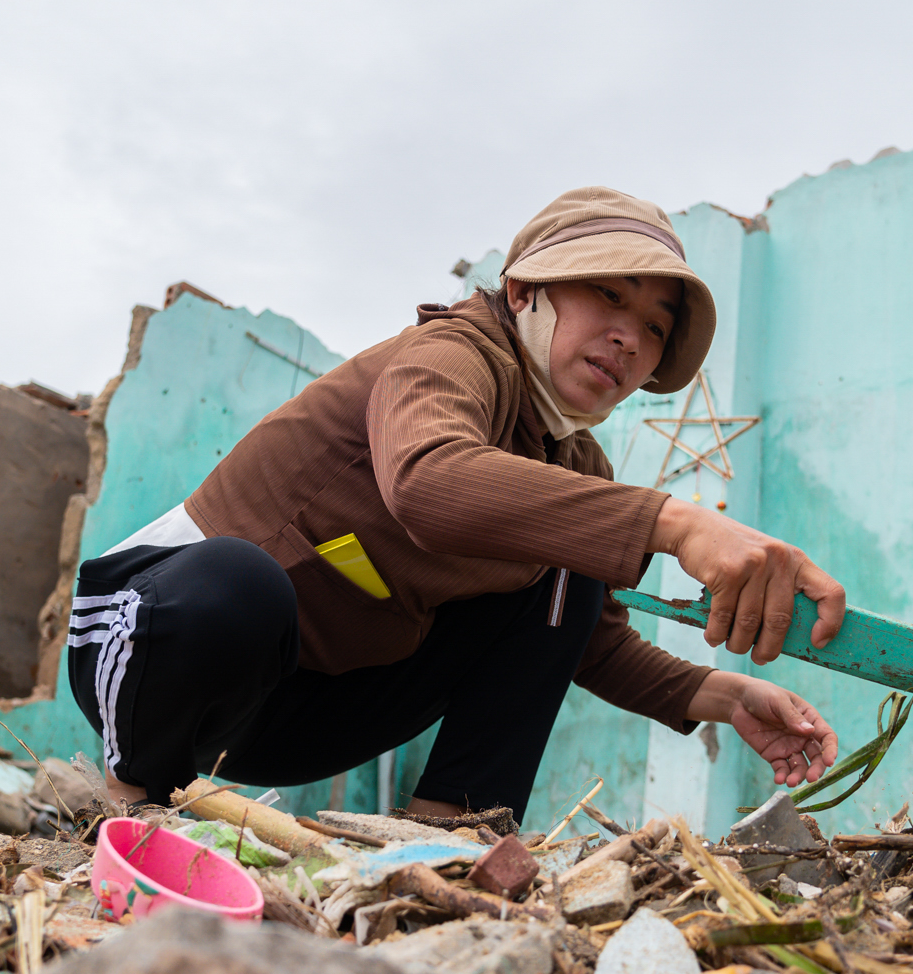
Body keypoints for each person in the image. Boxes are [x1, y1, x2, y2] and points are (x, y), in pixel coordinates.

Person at [68, 187, 846, 821]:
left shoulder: (577, 462)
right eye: (607, 295)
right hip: (151, 657)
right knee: (238, 581)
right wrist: (673, 521)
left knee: (570, 568)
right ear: (523, 290)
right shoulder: (449, 353)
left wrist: (727, 695)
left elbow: (585, 645)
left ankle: (450, 840)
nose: (628, 339)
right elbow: (427, 481)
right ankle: (133, 805)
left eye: (652, 327)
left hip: (302, 714)